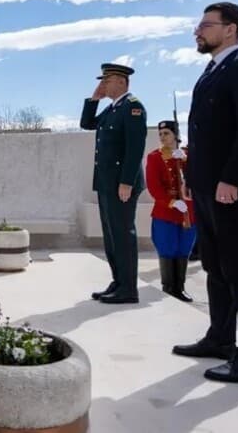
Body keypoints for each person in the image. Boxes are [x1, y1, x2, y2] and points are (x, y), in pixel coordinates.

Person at [175, 1, 238, 383]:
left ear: (230, 29)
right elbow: (203, 133)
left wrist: (230, 179)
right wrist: (192, 175)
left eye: (205, 25)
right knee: (215, 267)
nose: (198, 32)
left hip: (231, 189)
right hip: (204, 186)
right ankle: (220, 338)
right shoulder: (210, 72)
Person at [79, 62, 147, 304]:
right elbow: (87, 124)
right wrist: (94, 99)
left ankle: (129, 288)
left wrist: (127, 182)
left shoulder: (132, 107)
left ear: (121, 81)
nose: (102, 85)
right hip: (107, 183)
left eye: (106, 81)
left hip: (121, 183)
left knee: (122, 234)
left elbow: (135, 148)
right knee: (111, 235)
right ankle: (119, 281)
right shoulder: (112, 110)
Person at [144, 120, 196, 302]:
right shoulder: (154, 157)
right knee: (167, 248)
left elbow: (197, 179)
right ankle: (168, 288)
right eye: (160, 134)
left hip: (187, 212)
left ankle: (180, 287)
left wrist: (186, 161)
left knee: (184, 248)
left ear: (175, 135)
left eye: (166, 133)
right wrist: (171, 202)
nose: (163, 137)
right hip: (166, 211)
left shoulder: (186, 156)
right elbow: (154, 187)